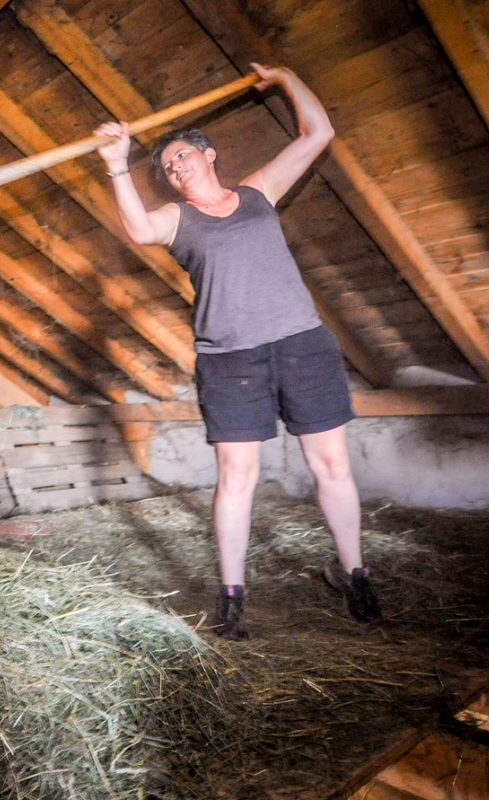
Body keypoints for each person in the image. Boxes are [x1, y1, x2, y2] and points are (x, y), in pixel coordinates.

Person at [94, 63, 381, 639]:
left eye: (183, 157)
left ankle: (354, 574)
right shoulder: (176, 219)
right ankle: (231, 597)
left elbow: (317, 134)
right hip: (230, 360)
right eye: (169, 166)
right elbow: (139, 230)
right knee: (238, 477)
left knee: (332, 465)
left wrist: (288, 79)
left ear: (210, 155)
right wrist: (118, 164)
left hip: (302, 344)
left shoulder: (258, 194)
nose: (176, 168)